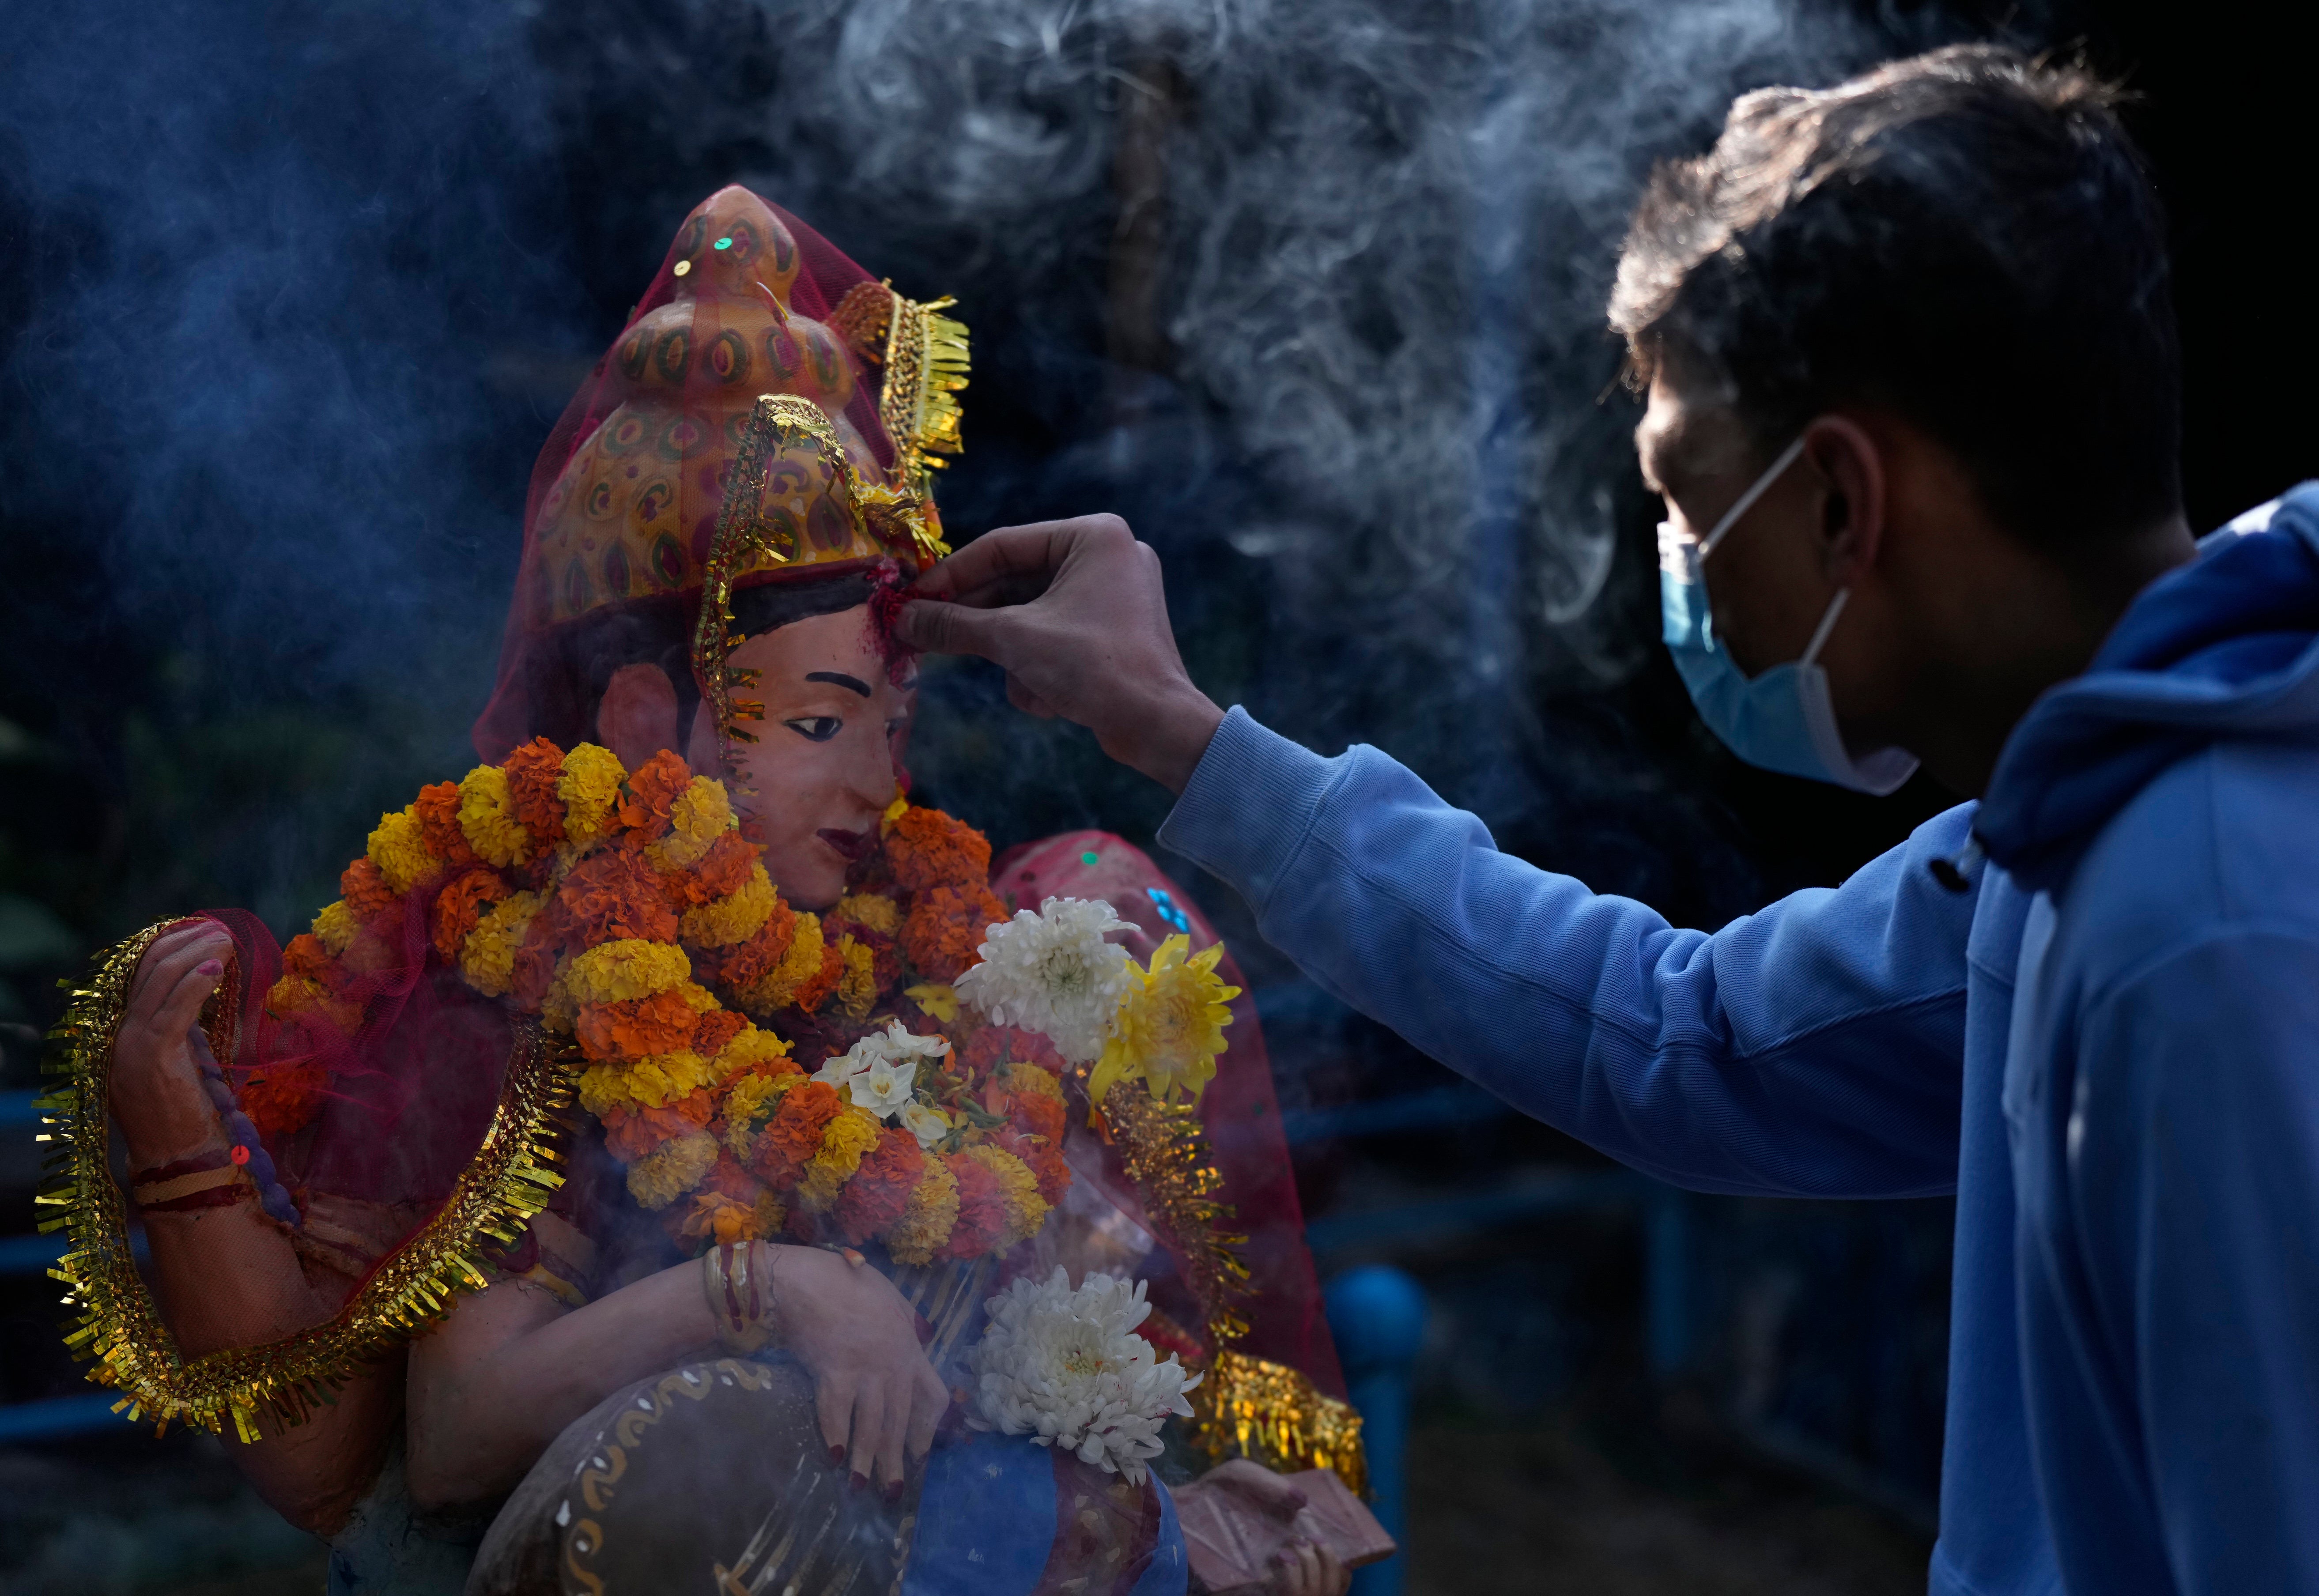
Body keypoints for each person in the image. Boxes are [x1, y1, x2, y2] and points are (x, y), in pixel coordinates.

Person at [894, 45, 2319, 1596]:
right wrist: (1181, 733)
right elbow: (1686, 1041)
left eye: (1688, 503)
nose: (1683, 574)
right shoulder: (2078, 825)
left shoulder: (2209, 926)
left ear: (1842, 501)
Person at [64, 186, 1356, 1596]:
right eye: (817, 726)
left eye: (893, 728)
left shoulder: (889, 957)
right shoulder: (541, 980)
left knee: (1109, 901)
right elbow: (451, 1442)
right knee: (724, 1453)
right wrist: (777, 1293)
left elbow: (981, 1310)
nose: (876, 785)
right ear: (639, 721)